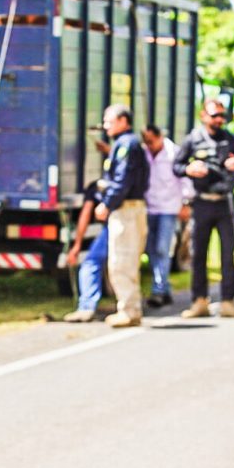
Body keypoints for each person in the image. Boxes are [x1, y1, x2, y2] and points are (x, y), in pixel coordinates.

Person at [172, 99, 234, 319]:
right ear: (203, 116)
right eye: (214, 115)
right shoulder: (193, 139)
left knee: (228, 254)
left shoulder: (232, 140)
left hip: (225, 203)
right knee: (198, 254)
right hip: (201, 203)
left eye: (221, 116)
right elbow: (176, 166)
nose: (219, 120)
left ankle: (228, 302)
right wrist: (189, 168)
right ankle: (199, 302)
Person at [95, 105, 149, 328]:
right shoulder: (124, 144)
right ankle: (131, 309)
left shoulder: (127, 144)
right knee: (128, 261)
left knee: (121, 262)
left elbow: (122, 179)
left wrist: (107, 203)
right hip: (131, 208)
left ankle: (128, 311)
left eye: (109, 121)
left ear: (123, 121)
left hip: (126, 210)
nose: (105, 125)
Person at [140, 125, 193, 309]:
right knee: (151, 250)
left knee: (162, 248)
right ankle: (165, 288)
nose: (149, 145)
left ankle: (158, 290)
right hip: (150, 208)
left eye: (151, 141)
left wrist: (185, 203)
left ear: (160, 137)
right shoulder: (145, 153)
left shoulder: (174, 153)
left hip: (169, 208)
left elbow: (185, 179)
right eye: (146, 142)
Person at [61, 182, 109, 322]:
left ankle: (87, 307)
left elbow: (86, 214)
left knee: (91, 263)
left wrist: (77, 246)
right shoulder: (100, 186)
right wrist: (77, 246)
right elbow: (86, 213)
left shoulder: (100, 186)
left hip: (117, 224)